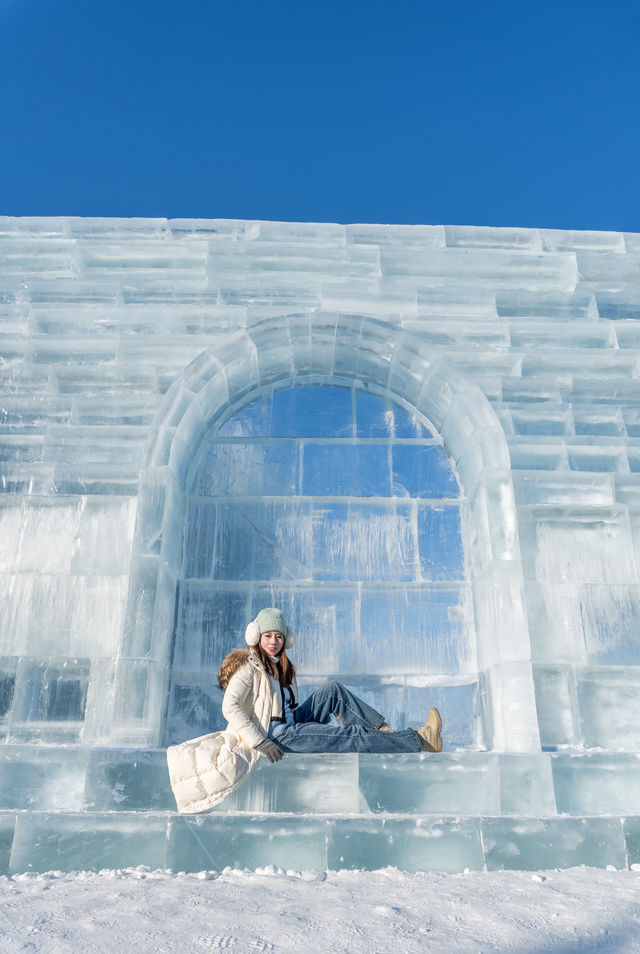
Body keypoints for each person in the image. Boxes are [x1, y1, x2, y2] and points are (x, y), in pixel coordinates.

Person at [219, 607, 442, 763]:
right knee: (350, 735)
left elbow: (288, 709)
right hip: (277, 737)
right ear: (256, 637)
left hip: (291, 724)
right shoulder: (249, 666)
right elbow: (230, 706)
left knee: (332, 691)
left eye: (278, 636)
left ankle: (384, 734)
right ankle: (419, 740)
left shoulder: (282, 666)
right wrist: (259, 743)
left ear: (286, 639)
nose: (273, 642)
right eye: (267, 635)